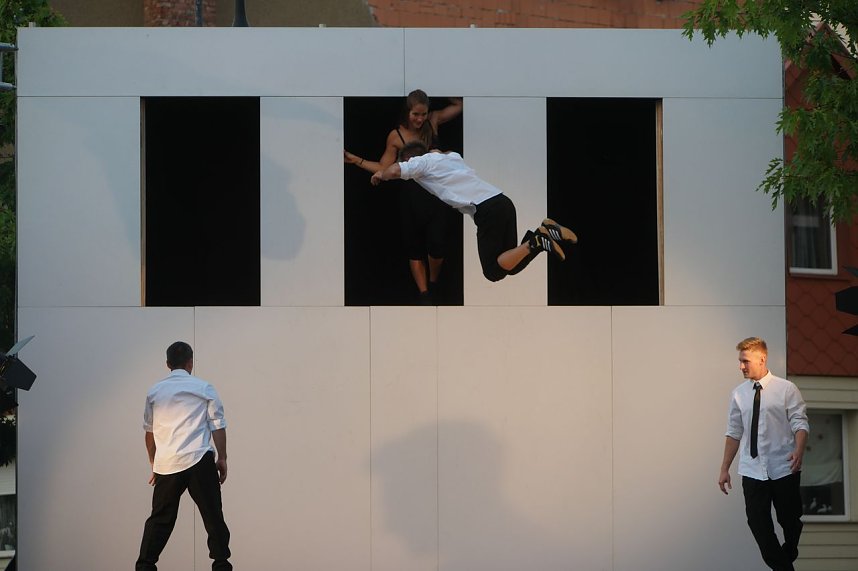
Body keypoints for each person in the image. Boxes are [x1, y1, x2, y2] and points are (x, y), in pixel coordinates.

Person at [371, 141, 577, 282]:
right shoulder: (451, 157)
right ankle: (542, 235)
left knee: (492, 272)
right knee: (509, 264)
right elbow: (439, 155)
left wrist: (382, 173)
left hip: (487, 211)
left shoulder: (421, 163)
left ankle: (537, 241)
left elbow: (396, 170)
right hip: (503, 202)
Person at [345, 89, 463, 303]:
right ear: (407, 112)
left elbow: (459, 106)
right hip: (411, 195)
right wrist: (357, 160)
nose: (420, 119)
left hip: (436, 192)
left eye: (423, 114)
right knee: (414, 246)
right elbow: (383, 166)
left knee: (437, 244)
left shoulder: (433, 121)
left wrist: (447, 88)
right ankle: (424, 293)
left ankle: (434, 282)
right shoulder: (396, 135)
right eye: (415, 114)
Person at [136, 342, 232, 571]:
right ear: (191, 362)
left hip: (167, 464)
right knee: (212, 515)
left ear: (168, 364)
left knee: (160, 518)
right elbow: (218, 426)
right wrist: (223, 458)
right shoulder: (204, 388)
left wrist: (154, 463)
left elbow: (149, 433)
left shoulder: (154, 392)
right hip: (199, 459)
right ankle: (220, 564)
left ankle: (145, 565)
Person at [719, 337, 809, 571]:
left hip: (784, 467)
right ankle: (783, 568)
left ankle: (789, 550)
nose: (741, 366)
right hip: (752, 469)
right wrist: (724, 469)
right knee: (758, 523)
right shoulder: (739, 394)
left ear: (762, 358)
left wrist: (799, 450)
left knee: (790, 520)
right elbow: (734, 432)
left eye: (745, 361)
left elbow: (800, 423)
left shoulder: (786, 389)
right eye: (740, 361)